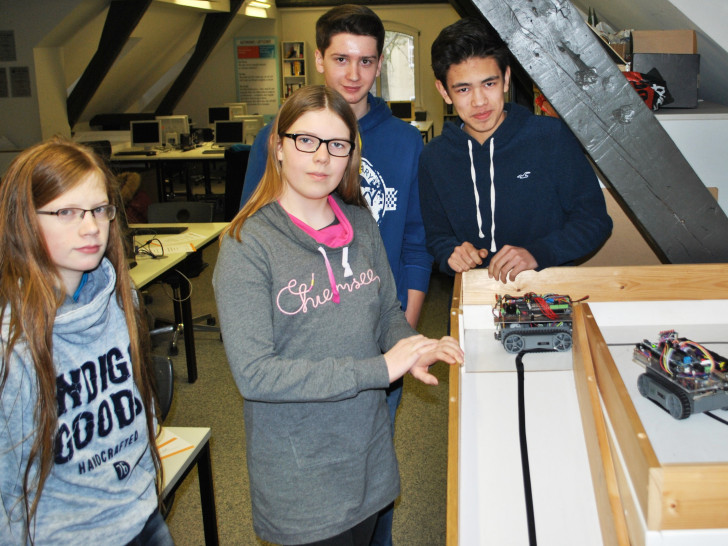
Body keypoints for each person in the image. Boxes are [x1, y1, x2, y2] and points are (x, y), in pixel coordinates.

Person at [213, 85, 463, 546]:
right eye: (305, 140)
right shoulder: (247, 244)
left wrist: (410, 346)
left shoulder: (361, 224)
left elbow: (386, 311)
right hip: (301, 473)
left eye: (337, 145)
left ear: (350, 155)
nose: (322, 158)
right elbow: (255, 375)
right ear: (279, 147)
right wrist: (381, 367)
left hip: (367, 455)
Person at [241, 7, 433, 542]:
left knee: (374, 469)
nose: (353, 73)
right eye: (341, 58)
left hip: (381, 330)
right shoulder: (275, 136)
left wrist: (402, 341)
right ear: (319, 58)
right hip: (305, 340)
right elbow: (256, 229)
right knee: (318, 480)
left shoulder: (401, 146)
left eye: (367, 61)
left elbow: (415, 242)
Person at [0, 138, 172, 545]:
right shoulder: (14, 344)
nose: (92, 227)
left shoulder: (119, 298)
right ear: (25, 220)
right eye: (67, 212)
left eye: (99, 210)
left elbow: (139, 407)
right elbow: (8, 486)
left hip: (142, 517)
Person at [419, 18, 612, 281]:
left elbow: (594, 222)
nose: (479, 101)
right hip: (474, 295)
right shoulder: (433, 157)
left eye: (489, 84)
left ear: (506, 78)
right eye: (463, 89)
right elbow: (436, 235)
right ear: (443, 91)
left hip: (550, 292)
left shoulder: (551, 137)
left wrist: (537, 253)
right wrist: (449, 253)